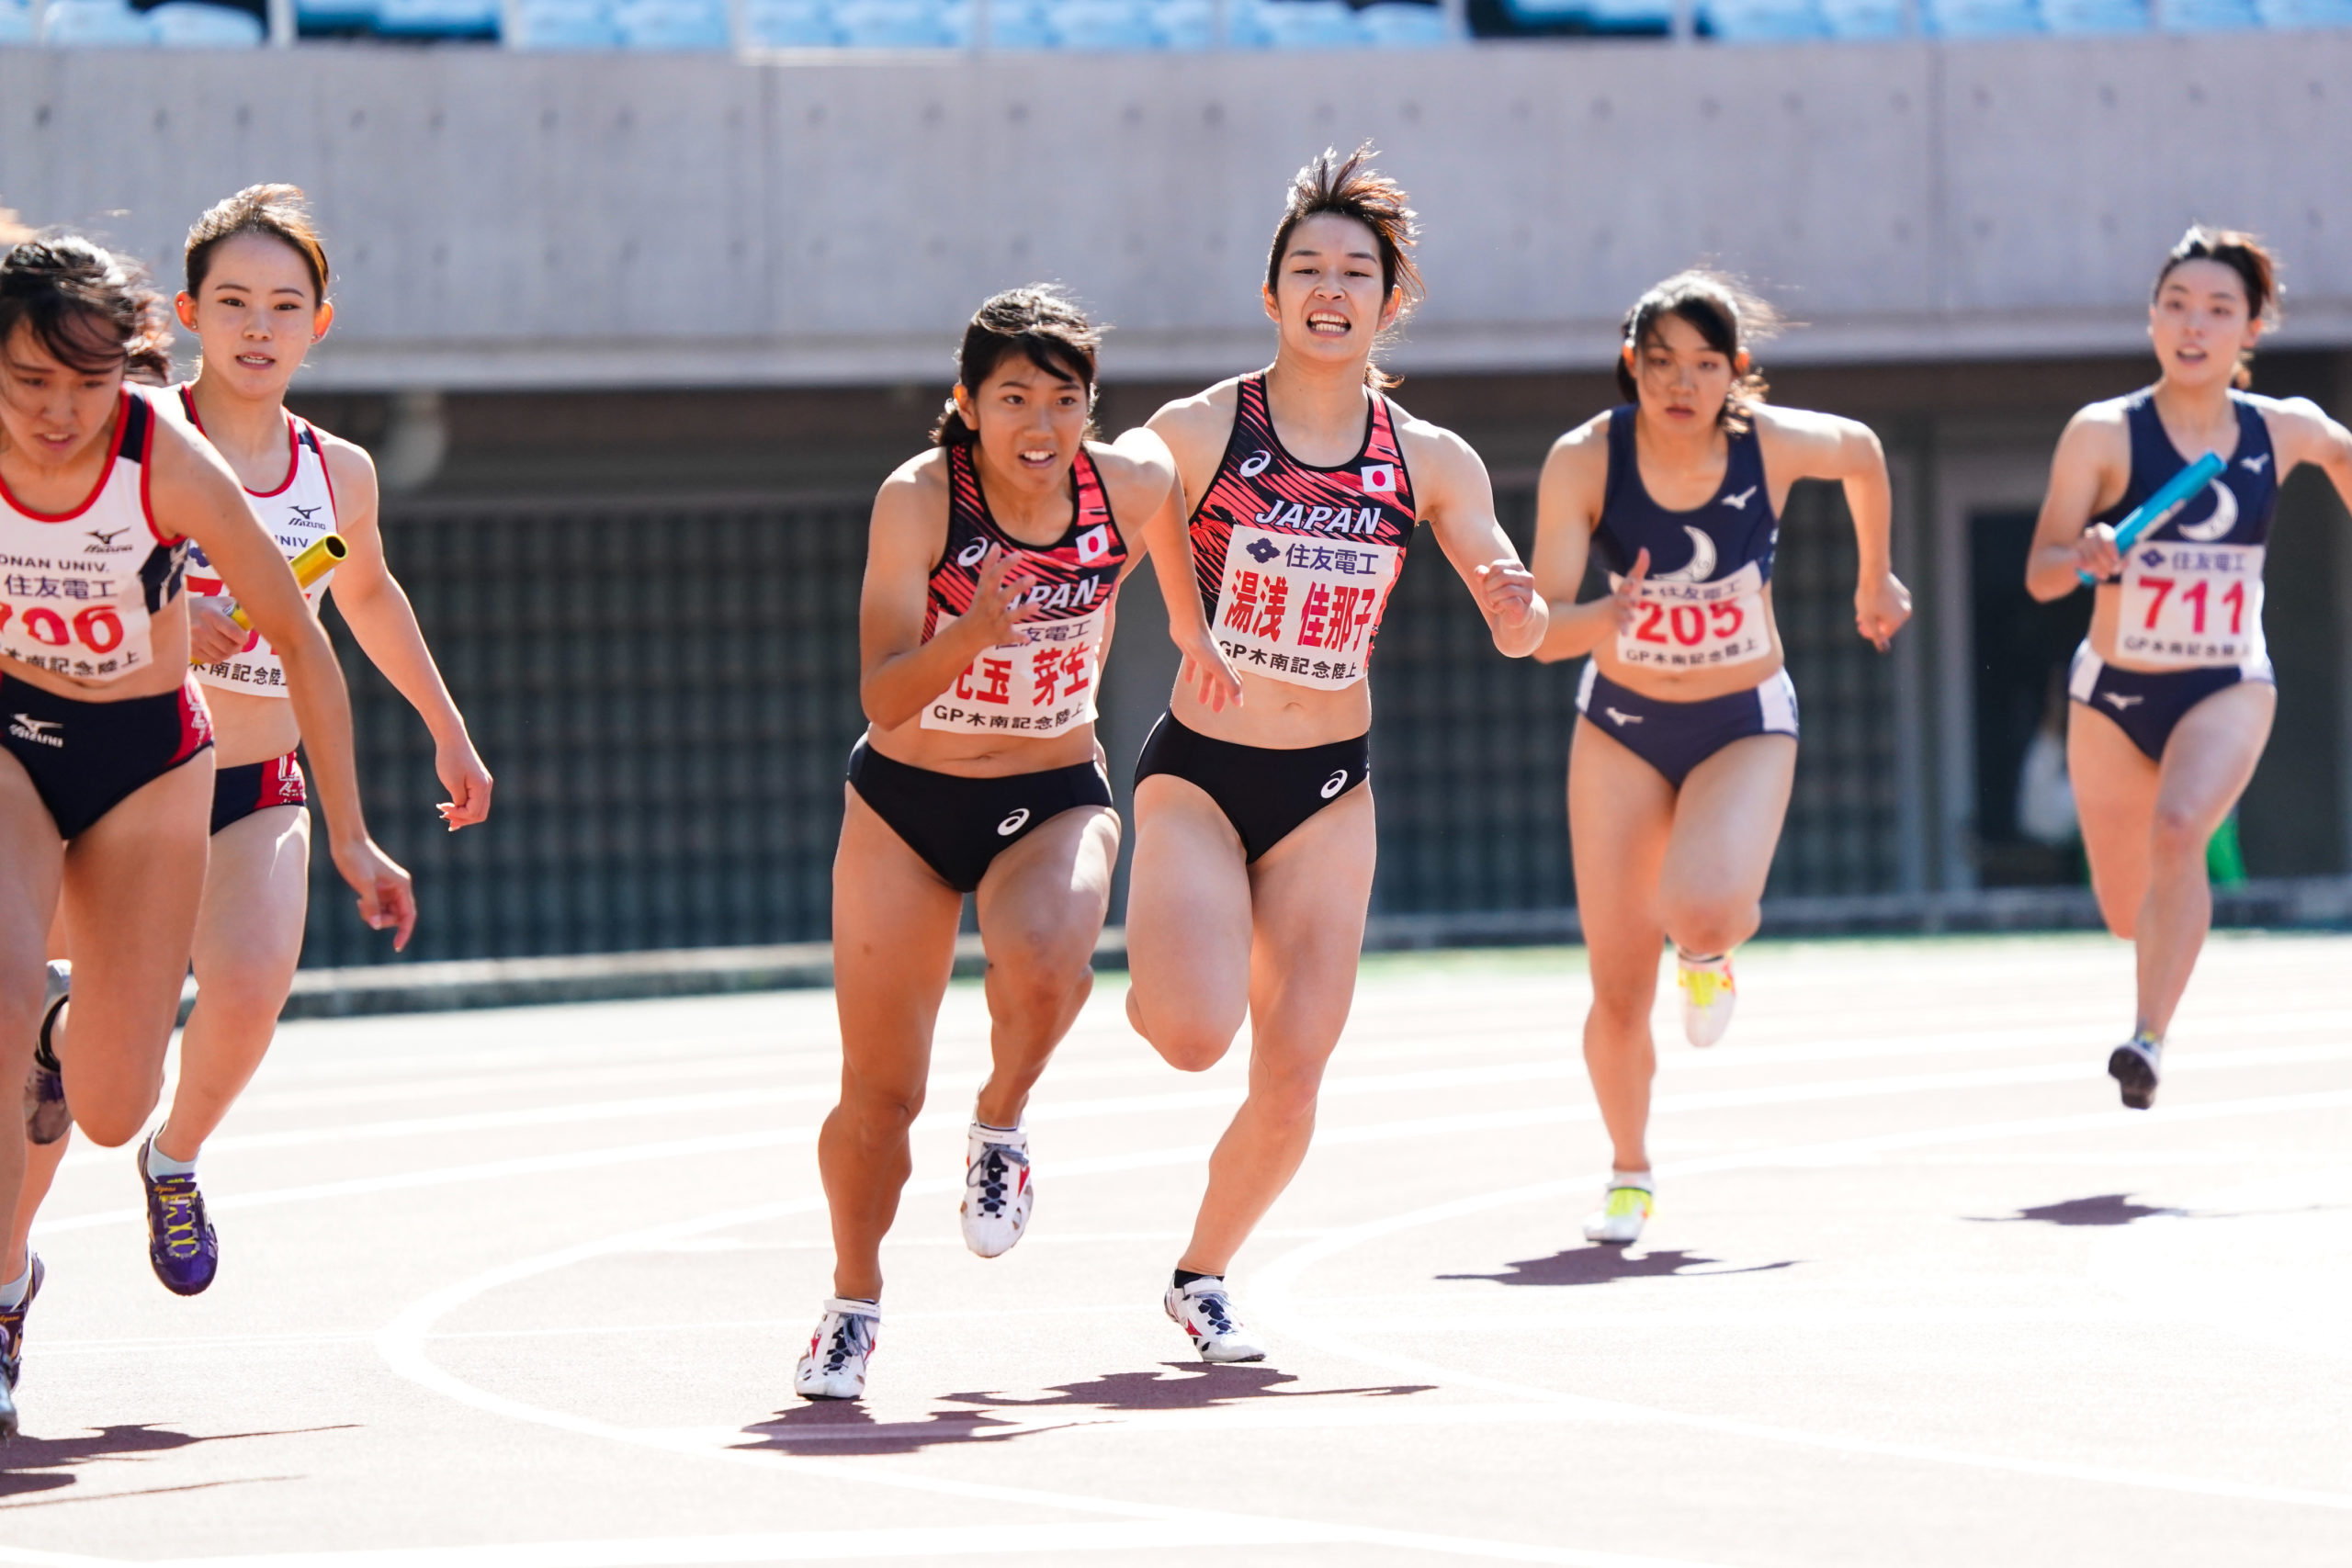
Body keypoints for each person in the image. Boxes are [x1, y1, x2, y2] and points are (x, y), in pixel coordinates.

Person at [1122, 146, 1544, 1363]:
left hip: (1325, 790)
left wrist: (1518, 607)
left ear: (1389, 300)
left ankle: (1202, 1273)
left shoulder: (1429, 458)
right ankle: (1148, 969)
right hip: (1203, 774)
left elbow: (1505, 601)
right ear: (1270, 295)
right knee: (1195, 1033)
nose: (1329, 285)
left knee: (1295, 1075)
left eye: (1355, 269)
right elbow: (1131, 507)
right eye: (1305, 265)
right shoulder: (1201, 427)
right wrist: (1186, 623)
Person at [0, 232, 413, 1437]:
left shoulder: (276, 471)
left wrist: (352, 828)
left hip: (155, 763)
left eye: (283, 306)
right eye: (30, 385)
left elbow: (323, 606)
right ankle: (5, 1283)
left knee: (113, 1098)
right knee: (4, 980)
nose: (58, 415)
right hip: (15, 739)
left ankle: (104, 1076)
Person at [796, 287, 1216, 1401]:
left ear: (1089, 410)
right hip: (905, 803)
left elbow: (1167, 507)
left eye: (1063, 399)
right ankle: (851, 1303)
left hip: (1052, 790)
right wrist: (976, 631)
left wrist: (1186, 622)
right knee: (878, 1100)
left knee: (1049, 955)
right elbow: (882, 698)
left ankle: (1002, 1120)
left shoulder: (1124, 485)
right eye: (1013, 397)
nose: (1039, 424)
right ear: (966, 405)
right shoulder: (919, 502)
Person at [130, 186, 483, 1296]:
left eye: (285, 305)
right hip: (124, 770)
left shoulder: (339, 475)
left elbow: (368, 601)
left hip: (257, 782)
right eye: (231, 301)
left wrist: (447, 728)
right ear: (188, 311)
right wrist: (172, 623)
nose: (257, 327)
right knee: (73, 1024)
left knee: (248, 981)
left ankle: (173, 1159)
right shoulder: (141, 436)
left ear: (319, 325)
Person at [1530, 271, 1910, 1247]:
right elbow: (1538, 626)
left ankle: (1708, 953)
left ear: (1735, 371)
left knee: (1697, 906)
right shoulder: (1584, 461)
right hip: (1619, 725)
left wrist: (1875, 579)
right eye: (1660, 364)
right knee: (1617, 985)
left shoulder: (1768, 446)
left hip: (1741, 717)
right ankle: (1628, 1171)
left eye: (1704, 365)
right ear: (1631, 365)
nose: (1681, 384)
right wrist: (1602, 617)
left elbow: (1864, 454)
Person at [2025, 227, 2352, 1110]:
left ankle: (2147, 1039)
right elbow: (2041, 573)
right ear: (2152, 319)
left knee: (2180, 830)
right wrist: (2086, 555)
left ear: (2252, 328)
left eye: (2218, 310)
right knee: (2127, 907)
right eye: (2176, 306)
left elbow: (2343, 456)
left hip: (2226, 682)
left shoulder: (2281, 429)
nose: (2194, 326)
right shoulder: (2103, 434)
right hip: (2114, 691)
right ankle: (2154, 978)